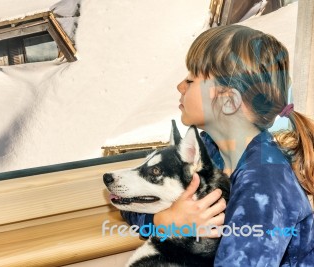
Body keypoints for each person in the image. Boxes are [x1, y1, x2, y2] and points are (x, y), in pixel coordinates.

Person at [121, 25, 314, 266]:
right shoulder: (210, 152)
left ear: (229, 101)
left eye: (191, 79)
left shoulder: (265, 186)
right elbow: (128, 200)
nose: (180, 86)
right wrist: (165, 221)